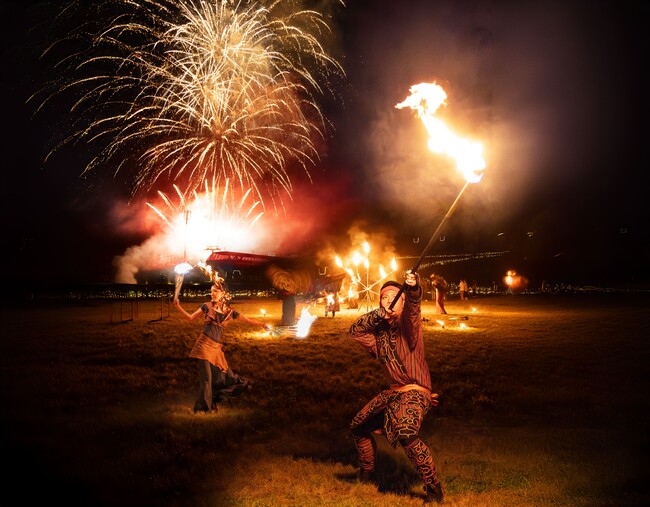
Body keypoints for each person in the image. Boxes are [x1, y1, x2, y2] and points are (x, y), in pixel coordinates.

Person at [348, 272, 444, 504]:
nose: (389, 300)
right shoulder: (379, 336)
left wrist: (412, 289)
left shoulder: (408, 328)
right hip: (393, 394)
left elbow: (413, 311)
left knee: (406, 433)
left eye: (395, 297)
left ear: (401, 302)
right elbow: (355, 331)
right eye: (384, 298)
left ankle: (433, 488)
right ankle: (366, 474)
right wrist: (380, 314)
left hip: (415, 392)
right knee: (358, 427)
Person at [174, 283, 270, 413]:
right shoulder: (206, 306)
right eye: (211, 291)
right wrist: (178, 306)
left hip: (216, 349)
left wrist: (262, 324)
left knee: (226, 377)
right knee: (207, 379)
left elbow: (247, 320)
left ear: (223, 294)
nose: (212, 293)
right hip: (203, 346)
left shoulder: (230, 312)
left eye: (215, 291)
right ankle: (202, 409)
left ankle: (212, 401)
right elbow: (191, 318)